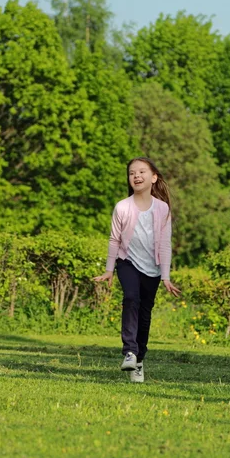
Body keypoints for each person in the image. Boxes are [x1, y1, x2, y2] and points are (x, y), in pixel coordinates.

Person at [94, 157, 180, 383]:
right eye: (132, 173)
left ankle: (138, 361)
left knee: (144, 314)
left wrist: (166, 275)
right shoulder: (122, 206)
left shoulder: (162, 209)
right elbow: (114, 239)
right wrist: (109, 269)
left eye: (142, 172)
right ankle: (129, 352)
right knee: (131, 298)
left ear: (153, 178)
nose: (136, 176)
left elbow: (165, 243)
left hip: (152, 268)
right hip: (127, 262)